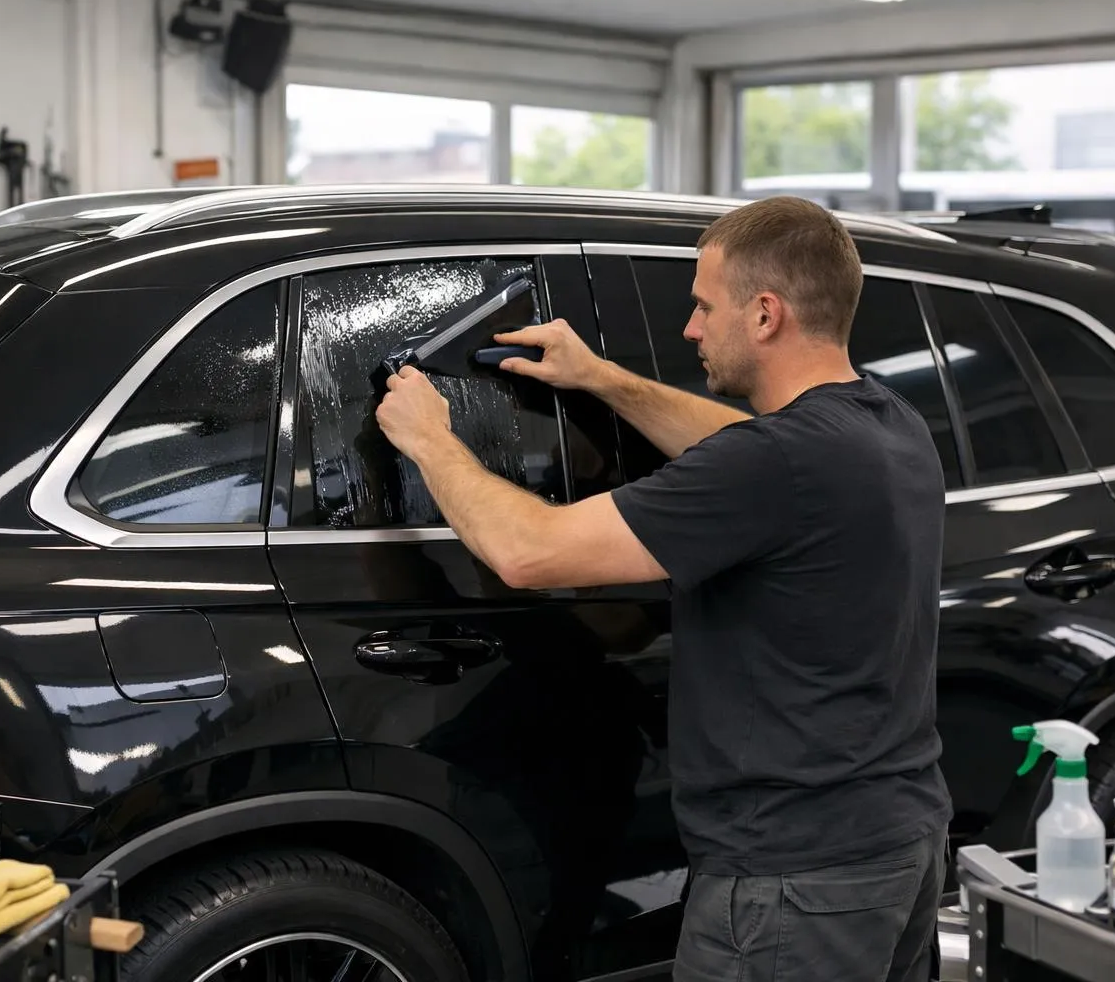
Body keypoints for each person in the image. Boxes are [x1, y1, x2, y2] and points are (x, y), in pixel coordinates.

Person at [373, 195, 953, 981]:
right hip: (897, 845)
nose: (690, 329)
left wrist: (430, 440)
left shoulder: (773, 465)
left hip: (792, 877)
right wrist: (601, 378)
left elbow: (525, 553)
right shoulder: (884, 423)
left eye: (704, 307)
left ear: (765, 315)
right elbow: (740, 448)